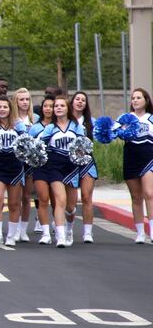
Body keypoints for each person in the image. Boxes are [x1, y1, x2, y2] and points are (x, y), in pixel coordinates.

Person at [38, 95, 82, 247]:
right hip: (55, 167)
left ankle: (69, 229)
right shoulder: (50, 128)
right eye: (56, 106)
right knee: (60, 200)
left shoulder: (76, 126)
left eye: (61, 106)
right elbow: (41, 148)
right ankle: (61, 236)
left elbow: (83, 147)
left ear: (68, 108)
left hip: (72, 167)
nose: (58, 108)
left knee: (70, 206)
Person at [0, 95, 27, 246]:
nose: (2, 110)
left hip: (15, 167)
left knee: (14, 203)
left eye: (5, 107)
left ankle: (11, 235)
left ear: (10, 109)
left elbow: (25, 145)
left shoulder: (18, 125)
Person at [119, 88, 153, 244]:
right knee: (136, 197)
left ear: (146, 100)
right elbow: (113, 132)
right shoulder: (125, 119)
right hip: (131, 157)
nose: (135, 100)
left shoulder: (151, 118)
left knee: (149, 194)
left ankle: (152, 231)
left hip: (149, 157)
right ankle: (140, 233)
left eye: (139, 97)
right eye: (133, 98)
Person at [71, 91, 97, 243]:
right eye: (77, 99)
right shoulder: (66, 120)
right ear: (72, 102)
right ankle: (68, 228)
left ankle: (88, 232)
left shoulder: (91, 121)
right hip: (70, 163)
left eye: (83, 100)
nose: (80, 102)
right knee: (71, 200)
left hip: (87, 161)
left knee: (87, 197)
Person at [12, 88, 38, 242]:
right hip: (15, 162)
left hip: (29, 163)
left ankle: (23, 230)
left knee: (27, 197)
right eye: (21, 99)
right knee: (15, 198)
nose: (24, 102)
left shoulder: (35, 118)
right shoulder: (12, 119)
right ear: (16, 101)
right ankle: (14, 230)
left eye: (27, 99)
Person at [29, 95, 55, 244]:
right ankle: (45, 232)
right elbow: (29, 147)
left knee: (58, 200)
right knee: (43, 199)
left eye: (51, 106)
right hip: (40, 167)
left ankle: (59, 227)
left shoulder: (60, 126)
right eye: (45, 106)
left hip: (58, 167)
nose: (48, 109)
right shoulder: (35, 128)